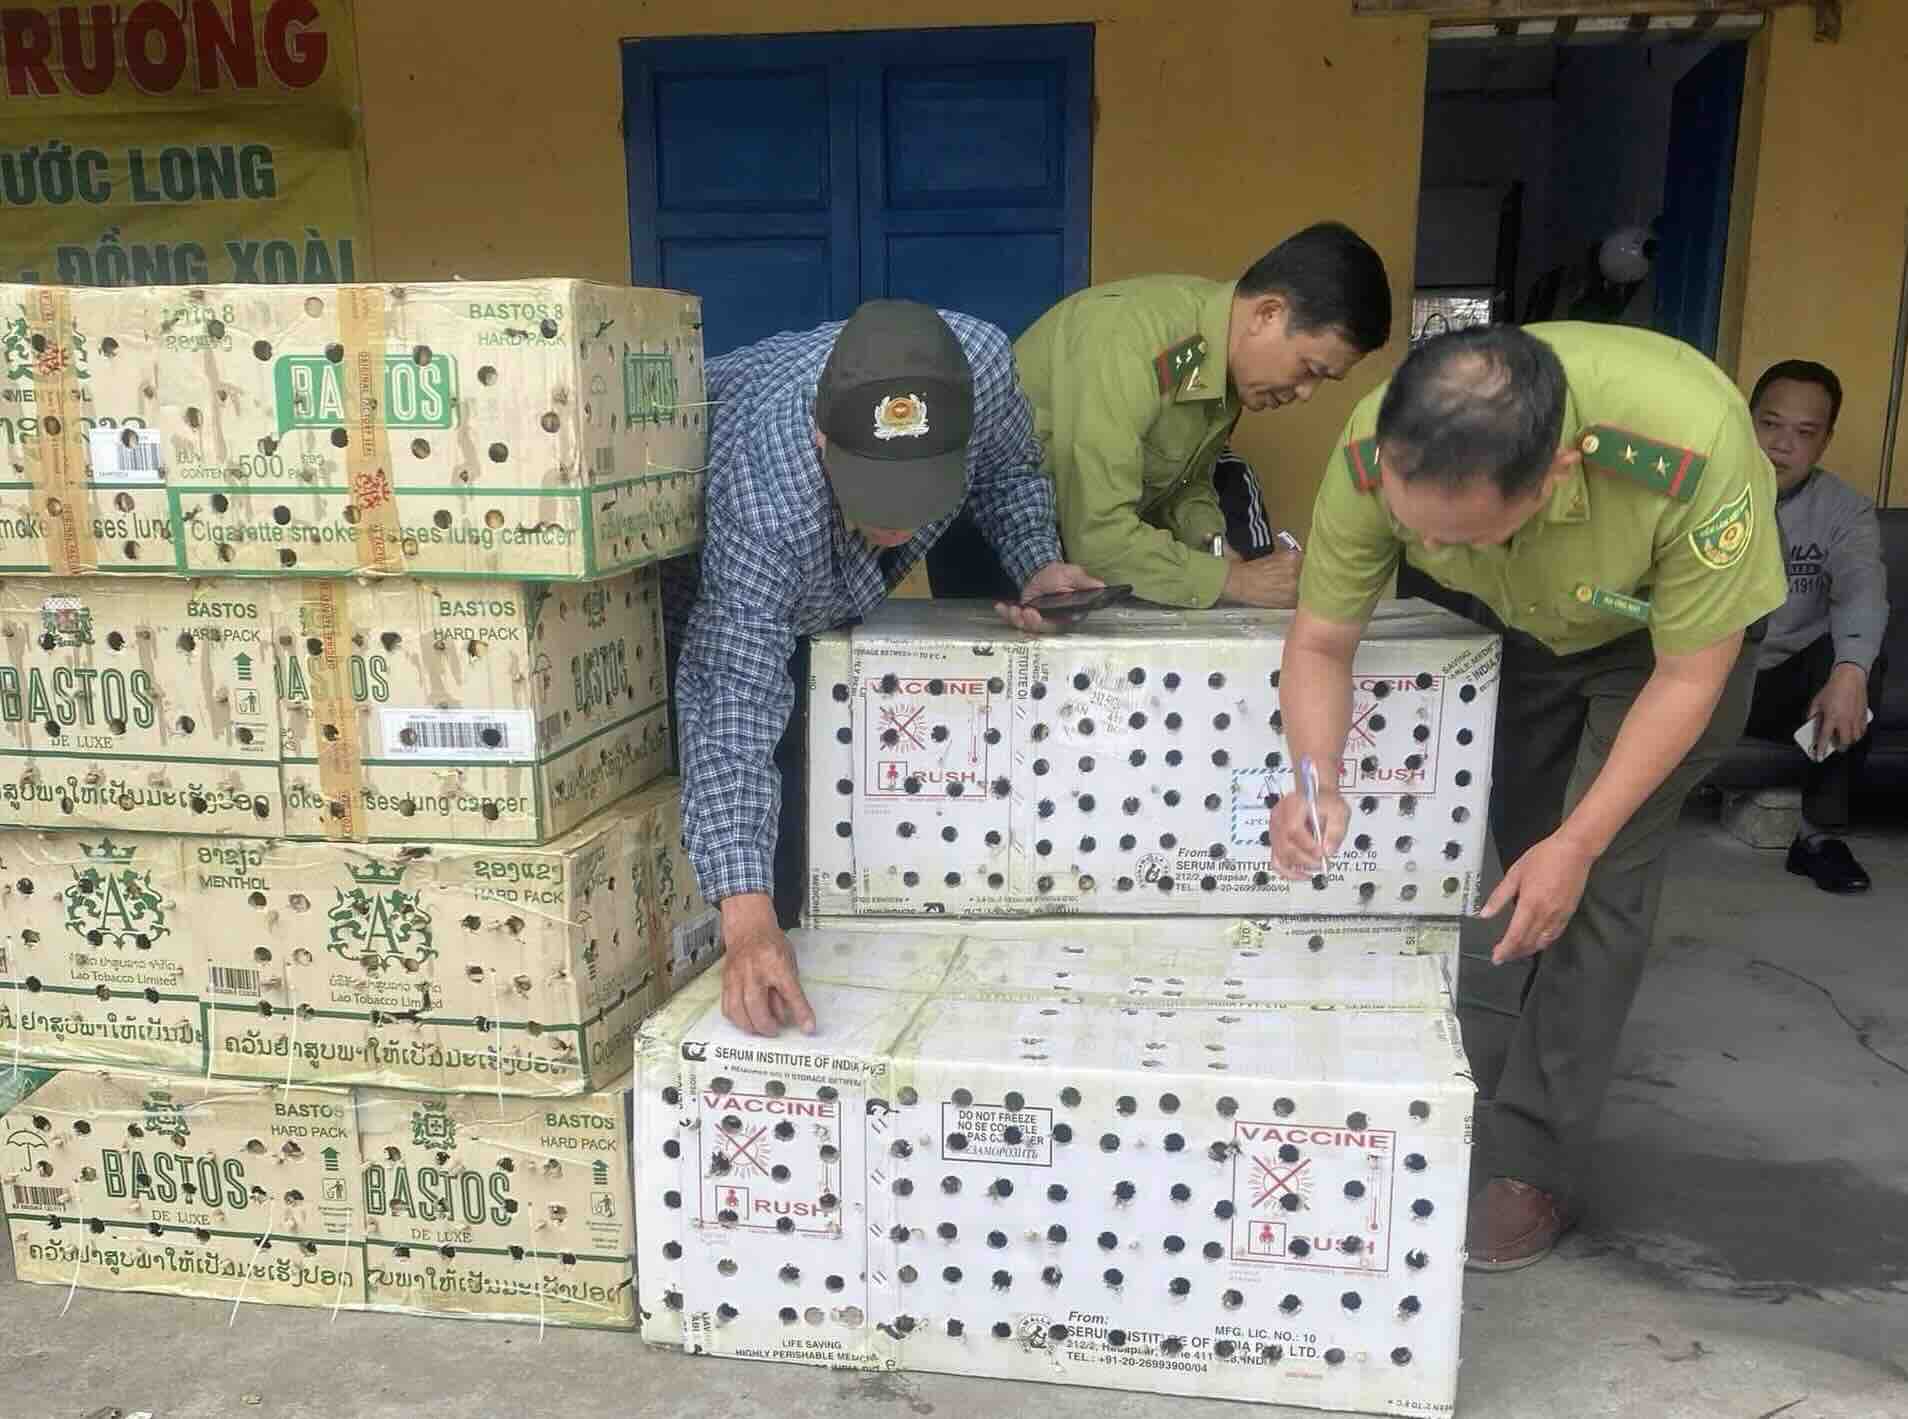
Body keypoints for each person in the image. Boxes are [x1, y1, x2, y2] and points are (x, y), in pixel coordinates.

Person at [1268, 323, 1786, 1272]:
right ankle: (1541, 1023)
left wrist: (1581, 842)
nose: (1420, 546)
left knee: (1590, 882)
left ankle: (1532, 1161)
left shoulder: (1692, 452)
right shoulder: (1371, 450)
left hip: (1666, 655)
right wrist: (1314, 778)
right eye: (1409, 524)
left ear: (1552, 476)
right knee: (1526, 854)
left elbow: (1687, 677)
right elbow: (1321, 642)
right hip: (1528, 630)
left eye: (1451, 536)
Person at [666, 300, 1099, 1038]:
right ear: (821, 438)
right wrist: (747, 915)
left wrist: (1036, 562)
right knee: (761, 829)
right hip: (688, 556)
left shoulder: (984, 373)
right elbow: (731, 696)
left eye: (918, 498)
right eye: (874, 497)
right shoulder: (766, 497)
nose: (897, 526)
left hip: (818, 583)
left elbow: (1007, 474)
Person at [1006, 221, 1392, 609]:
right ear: (1269, 314)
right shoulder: (1131, 339)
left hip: (1066, 573)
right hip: (1001, 556)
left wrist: (1218, 550)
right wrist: (1235, 582)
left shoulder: (1213, 359)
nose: (1307, 393)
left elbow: (1184, 485)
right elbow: (1099, 538)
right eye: (1310, 369)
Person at [1741, 360, 1889, 891]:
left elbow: (1862, 588)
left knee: (1855, 660)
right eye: (1770, 424)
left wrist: (1850, 671)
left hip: (1780, 688)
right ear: (1745, 421)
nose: (1783, 444)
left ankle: (1817, 837)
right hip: (1699, 676)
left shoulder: (1844, 509)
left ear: (1825, 442)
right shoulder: (1696, 491)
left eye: (1805, 433)